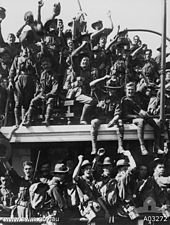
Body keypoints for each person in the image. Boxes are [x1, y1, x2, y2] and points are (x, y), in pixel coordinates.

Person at [120, 82, 163, 155]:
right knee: (141, 121)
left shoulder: (137, 96)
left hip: (141, 116)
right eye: (129, 90)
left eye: (132, 90)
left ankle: (157, 146)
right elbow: (125, 115)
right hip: (131, 119)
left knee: (157, 123)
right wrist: (136, 116)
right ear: (126, 90)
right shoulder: (125, 100)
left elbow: (146, 85)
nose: (131, 91)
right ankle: (142, 146)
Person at [22, 54, 60, 126]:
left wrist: (48, 95)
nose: (46, 66)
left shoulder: (54, 75)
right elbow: (41, 87)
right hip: (43, 94)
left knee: (50, 101)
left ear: (50, 64)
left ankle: (47, 120)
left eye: (47, 64)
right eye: (44, 65)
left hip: (52, 95)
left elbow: (55, 87)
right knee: (33, 101)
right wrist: (39, 94)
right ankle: (29, 121)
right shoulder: (42, 74)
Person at [73, 155, 111, 223]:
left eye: (90, 168)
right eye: (86, 169)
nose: (88, 170)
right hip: (86, 208)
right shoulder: (81, 180)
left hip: (96, 207)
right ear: (82, 170)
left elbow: (98, 198)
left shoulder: (92, 183)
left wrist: (106, 211)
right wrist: (80, 161)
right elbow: (74, 176)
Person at [8, 45, 38, 127]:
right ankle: (17, 123)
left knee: (27, 102)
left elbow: (36, 70)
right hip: (19, 80)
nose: (26, 50)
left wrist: (31, 58)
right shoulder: (17, 58)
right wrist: (11, 81)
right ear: (21, 49)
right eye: (24, 48)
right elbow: (12, 71)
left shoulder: (32, 59)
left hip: (29, 80)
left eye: (27, 48)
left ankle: (25, 121)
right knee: (18, 102)